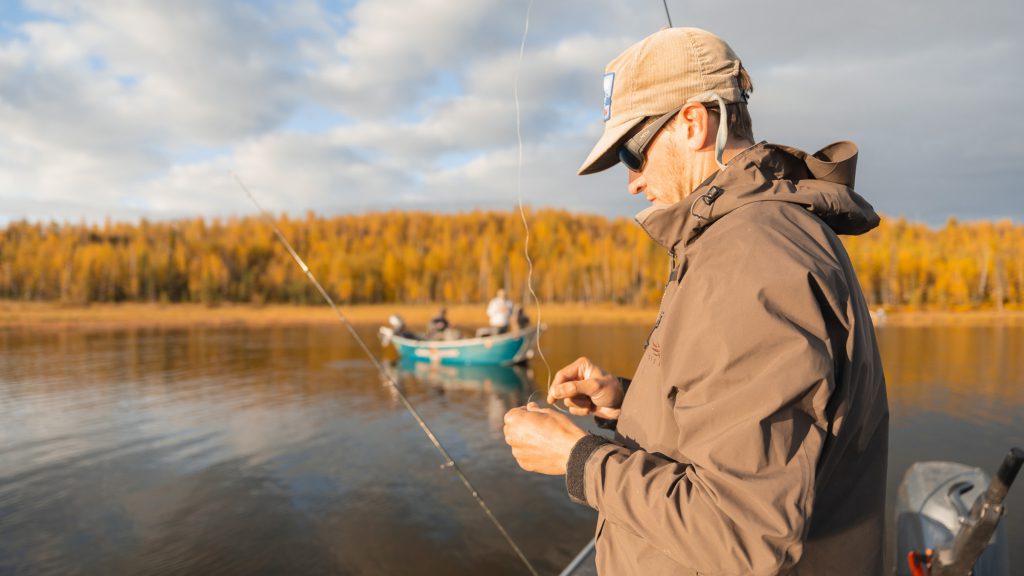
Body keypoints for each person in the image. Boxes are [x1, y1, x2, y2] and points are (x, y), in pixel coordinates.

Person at [502, 27, 888, 575]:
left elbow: (742, 533)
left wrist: (576, 458)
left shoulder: (754, 259)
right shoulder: (742, 240)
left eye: (632, 152)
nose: (632, 182)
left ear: (692, 123)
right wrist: (627, 404)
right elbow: (740, 421)